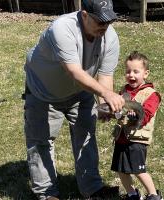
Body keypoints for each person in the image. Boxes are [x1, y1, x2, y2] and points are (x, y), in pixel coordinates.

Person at [22, 0, 125, 199]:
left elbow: (105, 77)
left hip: (80, 91)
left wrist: (105, 105)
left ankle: (92, 189)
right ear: (84, 15)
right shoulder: (62, 29)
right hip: (43, 91)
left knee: (86, 134)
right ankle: (47, 194)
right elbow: (74, 72)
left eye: (109, 21)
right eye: (100, 21)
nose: (105, 26)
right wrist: (106, 94)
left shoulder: (110, 37)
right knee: (41, 141)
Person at [110, 51, 163, 200]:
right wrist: (114, 113)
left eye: (136, 71)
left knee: (138, 170)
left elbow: (146, 115)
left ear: (145, 74)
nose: (131, 75)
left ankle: (153, 195)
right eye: (128, 71)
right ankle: (132, 194)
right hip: (121, 138)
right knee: (121, 170)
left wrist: (137, 116)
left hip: (137, 139)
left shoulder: (151, 94)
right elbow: (118, 110)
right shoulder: (123, 91)